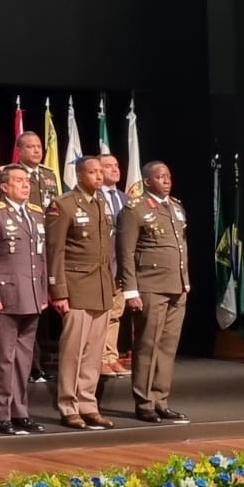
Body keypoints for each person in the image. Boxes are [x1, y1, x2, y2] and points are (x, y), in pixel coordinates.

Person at [46, 156, 116, 430]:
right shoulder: (63, 205)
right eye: (93, 172)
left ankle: (88, 403)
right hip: (75, 287)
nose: (99, 176)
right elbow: (55, 251)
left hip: (100, 288)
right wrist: (58, 290)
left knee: (93, 353)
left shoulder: (102, 202)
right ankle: (68, 405)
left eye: (101, 171)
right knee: (73, 351)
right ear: (79, 175)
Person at [118, 161, 190, 424]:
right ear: (147, 181)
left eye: (168, 176)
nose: (166, 180)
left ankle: (161, 399)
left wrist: (186, 282)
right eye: (160, 177)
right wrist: (130, 290)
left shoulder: (176, 207)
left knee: (167, 347)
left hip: (176, 287)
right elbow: (125, 252)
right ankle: (144, 401)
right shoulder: (134, 209)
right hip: (149, 286)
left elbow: (181, 249)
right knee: (147, 345)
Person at [0, 163, 48, 435]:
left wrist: (42, 293)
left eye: (27, 181)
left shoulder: (35, 214)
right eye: (18, 181)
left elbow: (42, 257)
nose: (25, 185)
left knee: (24, 360)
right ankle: (2, 413)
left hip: (31, 296)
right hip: (5, 296)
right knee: (4, 359)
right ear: (4, 187)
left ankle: (21, 411)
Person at [98, 152, 132, 376]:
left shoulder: (126, 199)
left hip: (121, 266)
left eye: (116, 165)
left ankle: (111, 357)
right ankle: (98, 358)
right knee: (101, 315)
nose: (114, 169)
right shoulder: (93, 197)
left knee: (116, 314)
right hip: (101, 266)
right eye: (108, 166)